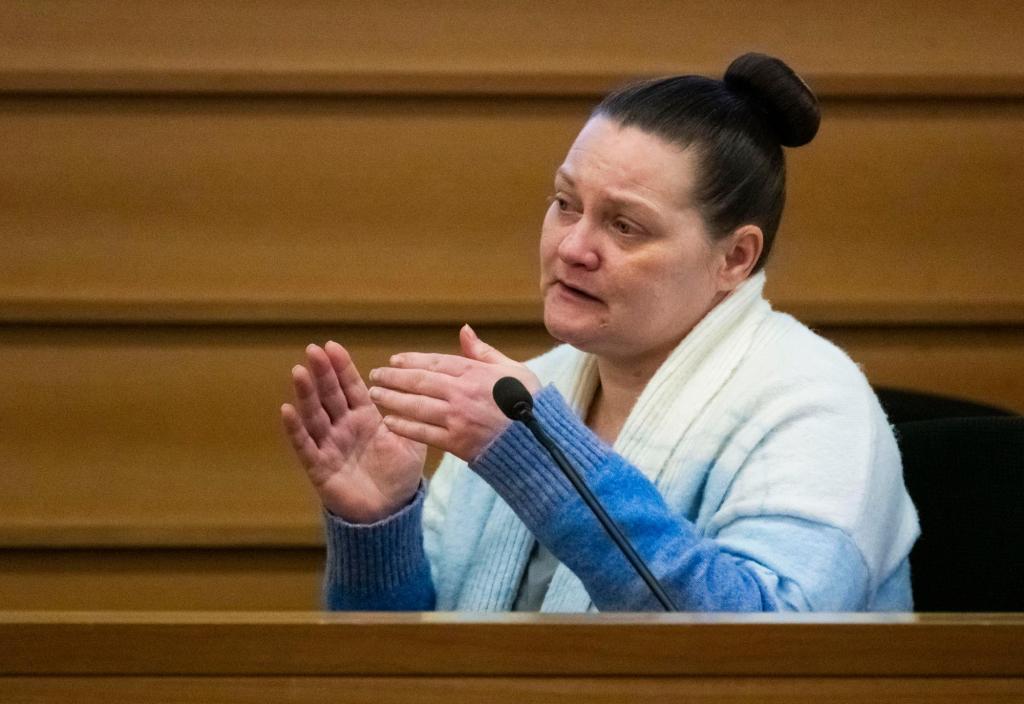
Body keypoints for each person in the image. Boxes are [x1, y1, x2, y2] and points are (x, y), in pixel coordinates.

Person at [280, 53, 919, 612]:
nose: (573, 247)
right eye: (566, 204)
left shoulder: (816, 405)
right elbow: (412, 670)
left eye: (624, 226)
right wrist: (382, 527)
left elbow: (773, 645)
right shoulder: (522, 393)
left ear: (734, 258)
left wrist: (539, 459)